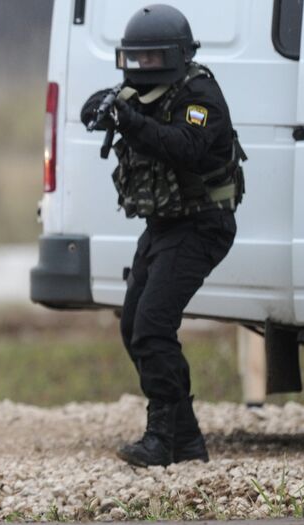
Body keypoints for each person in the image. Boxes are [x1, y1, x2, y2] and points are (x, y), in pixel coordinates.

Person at [80, 5, 245, 467]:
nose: (144, 67)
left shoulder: (199, 94)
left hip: (204, 223)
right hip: (167, 225)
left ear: (176, 55)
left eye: (154, 59)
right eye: (138, 60)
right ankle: (187, 443)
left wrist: (129, 121)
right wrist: (102, 109)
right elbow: (109, 113)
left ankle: (161, 438)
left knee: (154, 326)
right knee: (134, 324)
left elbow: (186, 147)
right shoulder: (140, 94)